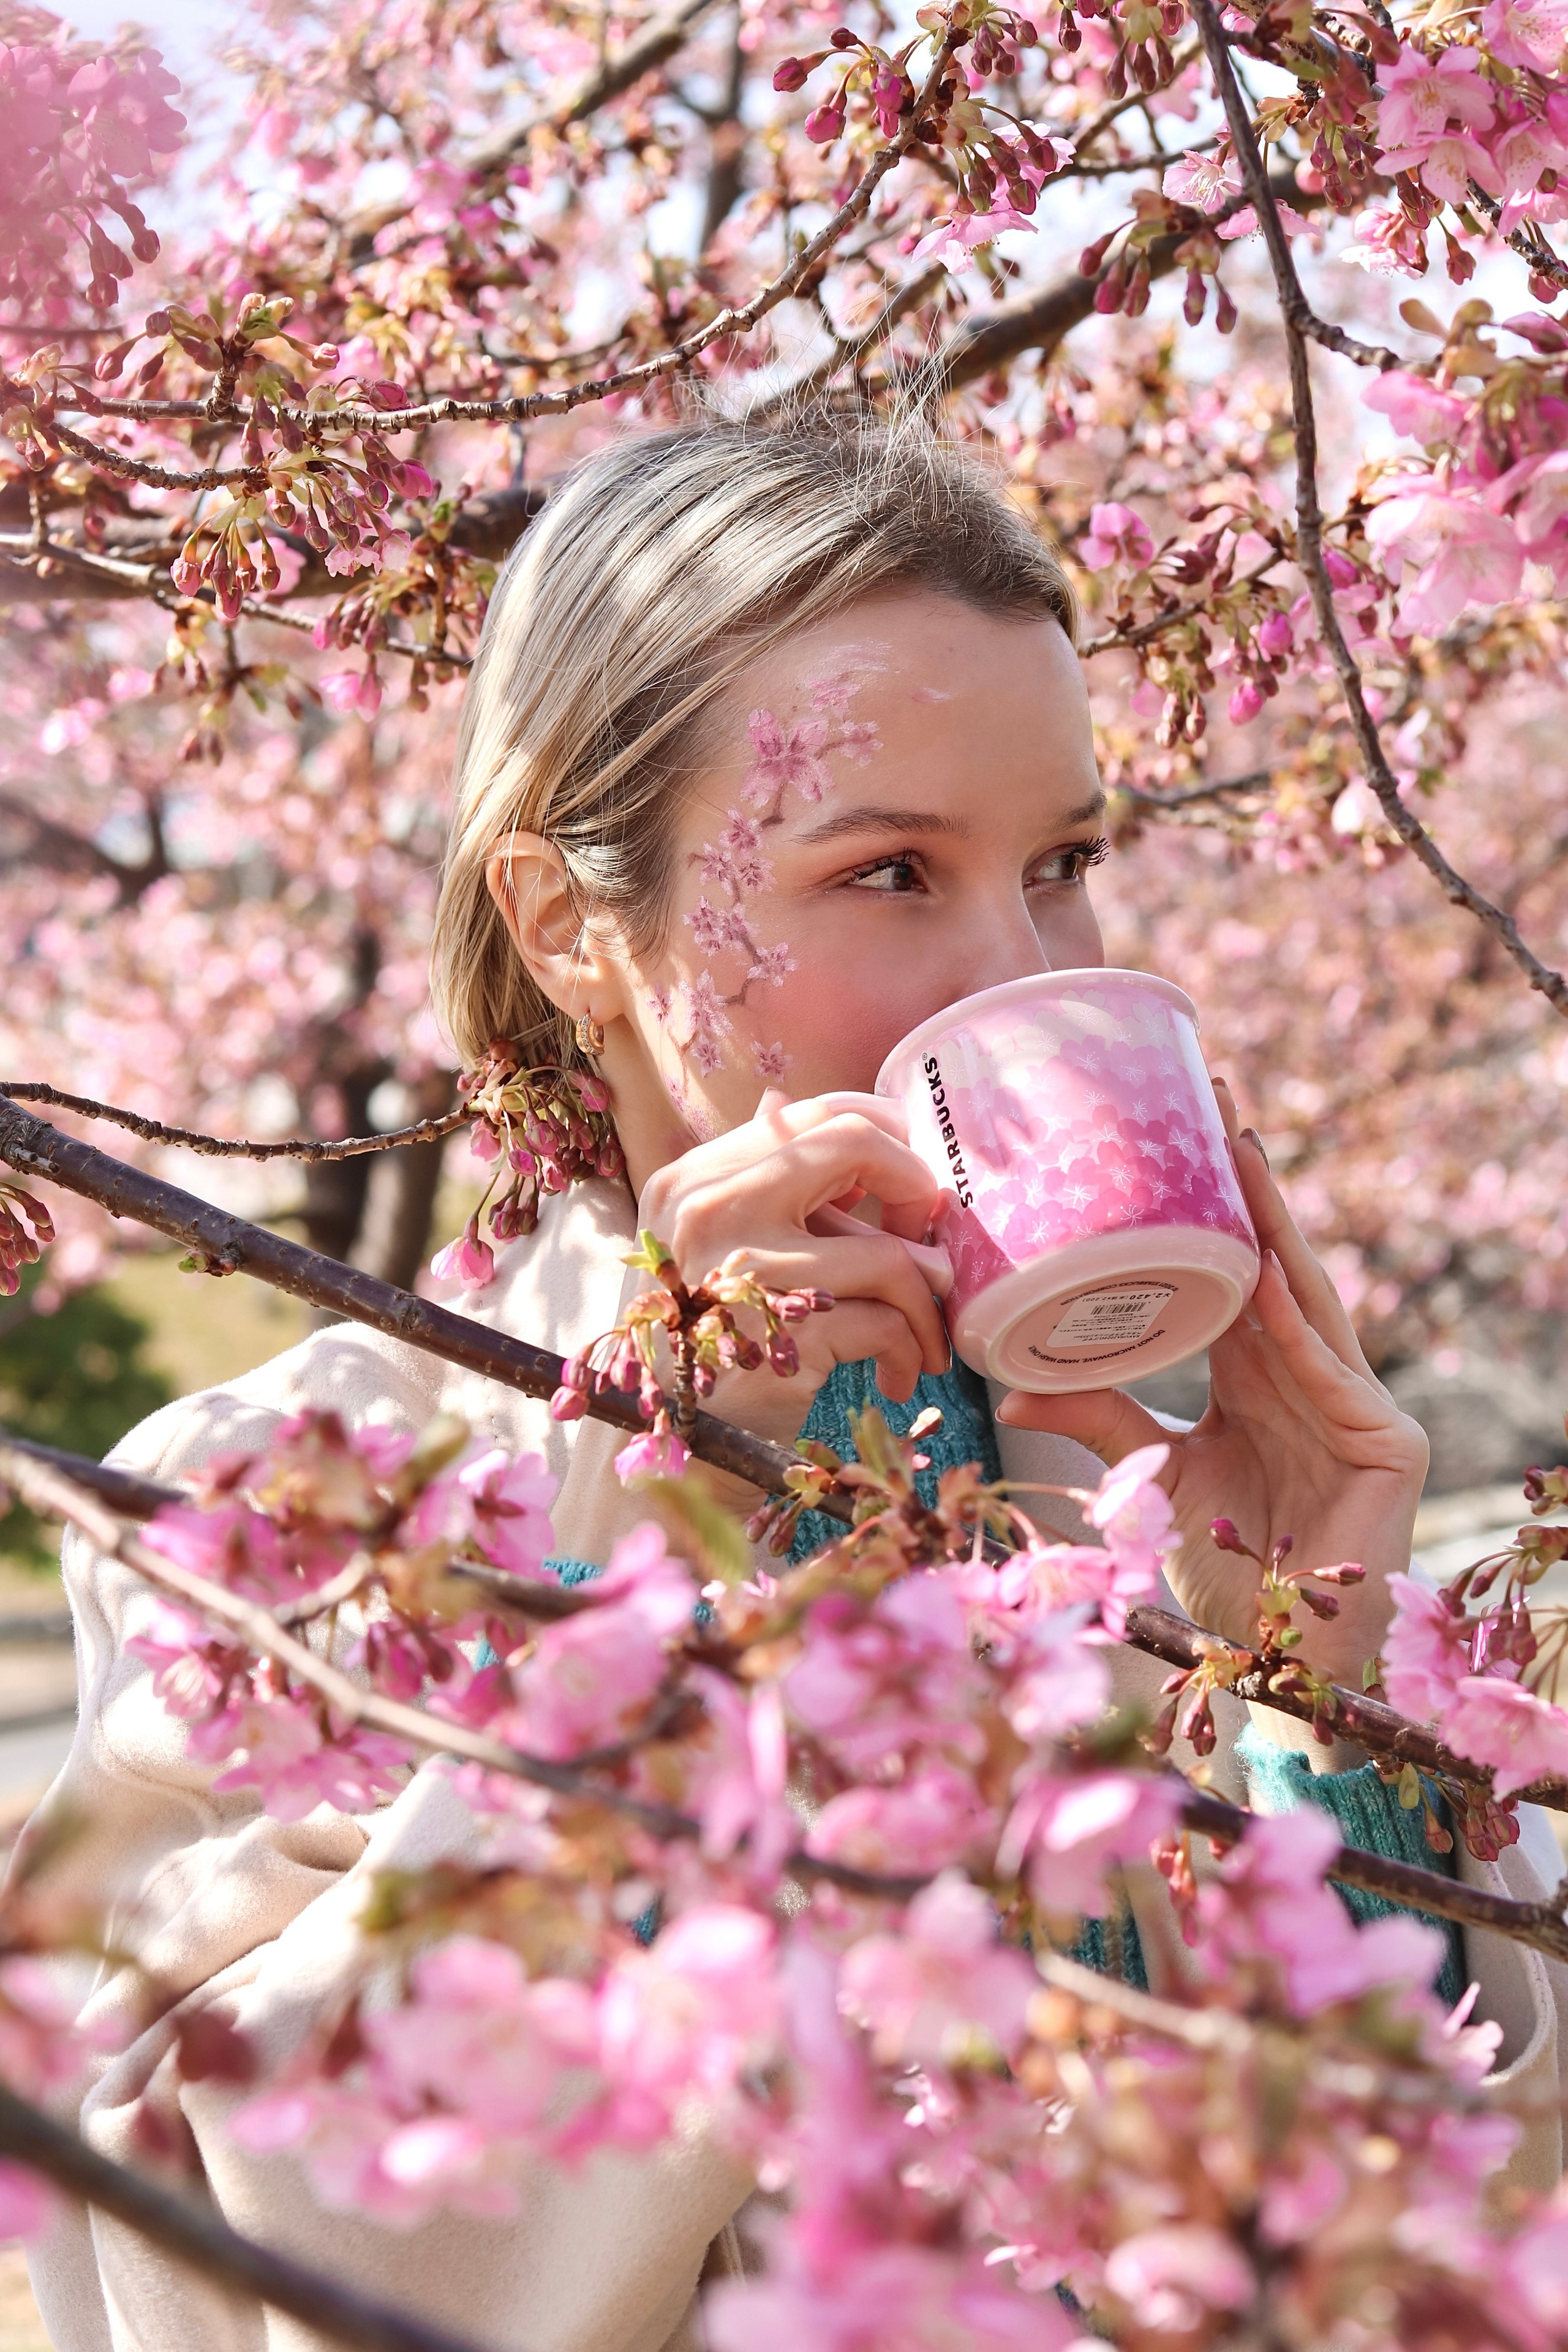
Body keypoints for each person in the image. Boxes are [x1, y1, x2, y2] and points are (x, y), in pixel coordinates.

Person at [26, 418, 1568, 2352]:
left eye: (1066, 863)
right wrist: (690, 1595)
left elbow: (1440, 2284)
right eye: (891, 869)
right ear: (573, 922)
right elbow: (203, 2282)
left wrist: (1313, 1706)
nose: (1010, 970)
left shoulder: (1136, 1539)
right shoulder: (310, 1507)